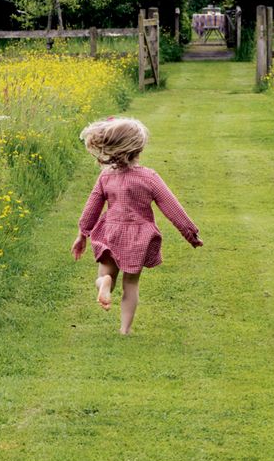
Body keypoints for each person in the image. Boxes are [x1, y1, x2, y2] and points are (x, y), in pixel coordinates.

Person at [71, 115, 202, 335]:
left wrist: (82, 234)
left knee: (105, 276)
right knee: (130, 284)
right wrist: (190, 232)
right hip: (137, 237)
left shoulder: (105, 177)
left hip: (109, 233)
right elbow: (171, 207)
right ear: (138, 149)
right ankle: (125, 329)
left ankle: (104, 283)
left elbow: (92, 207)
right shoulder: (149, 177)